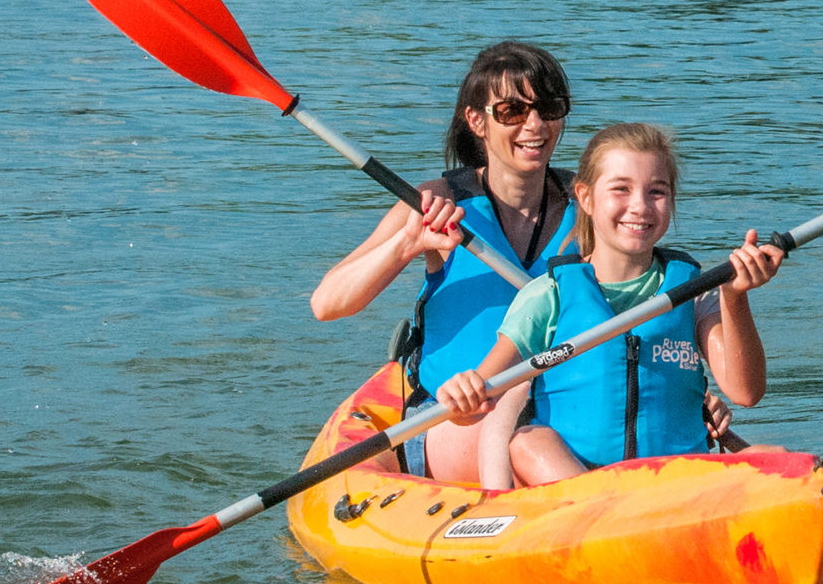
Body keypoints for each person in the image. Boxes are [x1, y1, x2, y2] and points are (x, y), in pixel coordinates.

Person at [434, 122, 786, 488]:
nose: (640, 206)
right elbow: (475, 404)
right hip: (580, 489)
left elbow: (746, 392)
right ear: (585, 198)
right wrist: (463, 394)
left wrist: (735, 295)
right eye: (621, 189)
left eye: (657, 192)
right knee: (528, 442)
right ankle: (607, 512)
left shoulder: (697, 294)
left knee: (771, 454)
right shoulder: (547, 297)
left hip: (676, 488)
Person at [310, 41, 582, 485]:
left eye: (549, 108)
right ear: (477, 121)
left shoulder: (588, 207)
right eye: (512, 111)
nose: (535, 125)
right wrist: (409, 243)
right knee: (524, 441)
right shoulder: (438, 201)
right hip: (456, 416)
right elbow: (328, 303)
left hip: (569, 407)